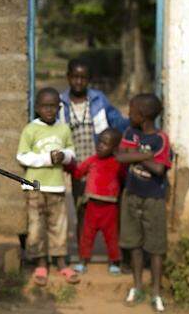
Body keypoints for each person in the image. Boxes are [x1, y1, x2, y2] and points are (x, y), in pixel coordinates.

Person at [58, 59, 130, 267]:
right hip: (79, 166)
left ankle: (115, 257)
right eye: (75, 76)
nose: (79, 81)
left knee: (108, 210)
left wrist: (134, 134)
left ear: (88, 80)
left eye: (83, 77)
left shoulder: (98, 99)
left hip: (102, 163)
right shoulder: (61, 102)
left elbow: (118, 122)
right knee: (82, 209)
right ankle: (83, 254)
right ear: (68, 77)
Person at [17, 87, 79, 286]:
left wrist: (65, 156)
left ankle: (61, 262)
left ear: (59, 107)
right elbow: (22, 157)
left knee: (59, 225)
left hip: (57, 187)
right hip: (34, 188)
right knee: (36, 226)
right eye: (45, 106)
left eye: (53, 106)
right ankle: (41, 263)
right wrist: (48, 158)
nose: (49, 110)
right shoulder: (31, 129)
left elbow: (72, 152)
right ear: (37, 108)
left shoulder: (63, 128)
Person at [115, 94, 171, 313]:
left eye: (132, 111)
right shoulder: (130, 132)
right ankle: (137, 286)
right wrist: (146, 156)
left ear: (144, 115)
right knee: (134, 244)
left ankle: (156, 292)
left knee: (156, 247)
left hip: (153, 199)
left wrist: (135, 155)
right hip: (131, 195)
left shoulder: (161, 139)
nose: (128, 114)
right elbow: (120, 157)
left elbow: (159, 169)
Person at [66, 128, 124, 275]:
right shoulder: (92, 160)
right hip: (92, 206)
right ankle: (83, 261)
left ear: (115, 148)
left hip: (110, 207)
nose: (100, 146)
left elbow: (123, 178)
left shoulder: (118, 163)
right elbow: (78, 173)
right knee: (87, 236)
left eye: (105, 144)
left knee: (112, 238)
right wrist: (69, 166)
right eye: (99, 142)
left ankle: (114, 262)